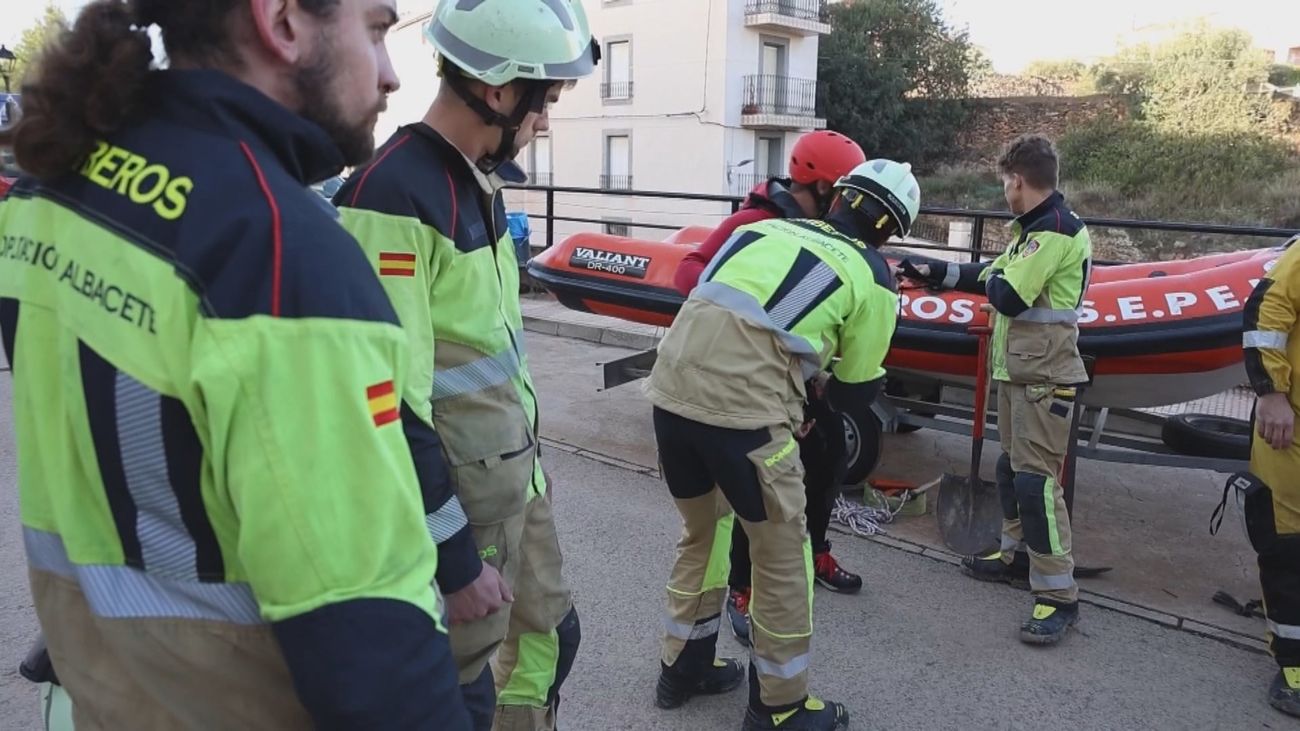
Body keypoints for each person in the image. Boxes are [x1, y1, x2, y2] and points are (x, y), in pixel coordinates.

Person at [0, 0, 473, 729]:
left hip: (95, 688)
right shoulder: (281, 252)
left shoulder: (51, 179)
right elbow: (376, 656)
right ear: (283, 21)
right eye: (376, 31)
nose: (388, 74)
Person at [332, 1, 598, 728]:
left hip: (514, 487)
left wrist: (532, 481)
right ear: (500, 91)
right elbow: (385, 402)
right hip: (455, 513)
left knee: (550, 637)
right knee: (455, 691)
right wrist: (451, 557)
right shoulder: (391, 196)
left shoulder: (478, 181)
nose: (547, 117)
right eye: (548, 97)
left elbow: (486, 358)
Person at [646, 158, 920, 731]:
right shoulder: (873, 275)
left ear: (840, 196)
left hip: (670, 395)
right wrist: (807, 396)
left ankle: (682, 668)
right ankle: (781, 707)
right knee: (781, 559)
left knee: (702, 534)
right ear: (890, 230)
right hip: (745, 419)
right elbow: (855, 390)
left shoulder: (758, 229)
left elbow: (716, 305)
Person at [672, 130, 869, 649]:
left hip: (798, 377)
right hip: (750, 384)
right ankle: (743, 585)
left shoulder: (818, 231)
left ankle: (817, 548)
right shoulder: (754, 223)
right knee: (755, 492)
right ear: (826, 186)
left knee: (827, 459)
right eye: (844, 193)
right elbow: (691, 270)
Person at [900, 134, 1092, 645]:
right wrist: (934, 270)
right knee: (1011, 471)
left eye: (1005, 182)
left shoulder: (1053, 231)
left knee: (1036, 485)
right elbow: (988, 273)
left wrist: (995, 275)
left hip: (1045, 378)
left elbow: (1005, 294)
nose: (1004, 191)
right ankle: (1013, 556)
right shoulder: (1029, 233)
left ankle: (1058, 596)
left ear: (1019, 181)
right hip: (1020, 374)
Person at [1240, 232, 1300, 718]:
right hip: (1292, 427)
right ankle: (1294, 664)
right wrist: (1270, 393)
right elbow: (1265, 313)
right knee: (1286, 544)